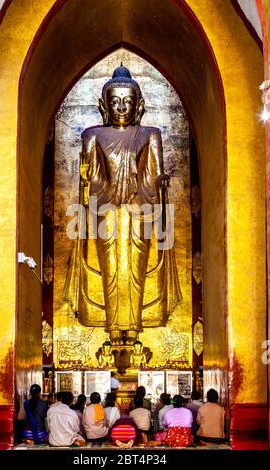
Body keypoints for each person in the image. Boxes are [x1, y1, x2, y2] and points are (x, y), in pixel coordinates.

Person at [63, 64, 182, 346]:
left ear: (138, 105)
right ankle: (115, 328)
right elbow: (92, 176)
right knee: (112, 269)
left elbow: (153, 174)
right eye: (114, 101)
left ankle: (134, 325)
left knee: (135, 267)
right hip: (105, 209)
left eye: (127, 101)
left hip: (141, 208)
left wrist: (156, 186)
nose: (120, 107)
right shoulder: (93, 135)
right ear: (104, 104)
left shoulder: (150, 134)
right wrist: (89, 181)